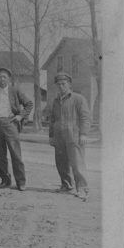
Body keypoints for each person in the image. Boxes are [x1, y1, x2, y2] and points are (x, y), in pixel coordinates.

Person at [0, 67, 33, 191]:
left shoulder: (15, 91)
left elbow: (29, 104)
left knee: (16, 154)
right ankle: (5, 180)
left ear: (8, 79)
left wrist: (20, 116)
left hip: (10, 124)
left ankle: (21, 182)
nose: (2, 79)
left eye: (4, 77)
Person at [48, 72, 91, 202]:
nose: (61, 86)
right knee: (61, 163)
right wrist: (51, 136)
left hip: (74, 136)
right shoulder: (55, 101)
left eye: (63, 84)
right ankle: (66, 186)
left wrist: (83, 133)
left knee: (77, 163)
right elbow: (52, 119)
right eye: (58, 84)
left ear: (69, 84)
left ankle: (82, 189)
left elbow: (85, 117)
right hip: (59, 136)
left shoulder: (78, 99)